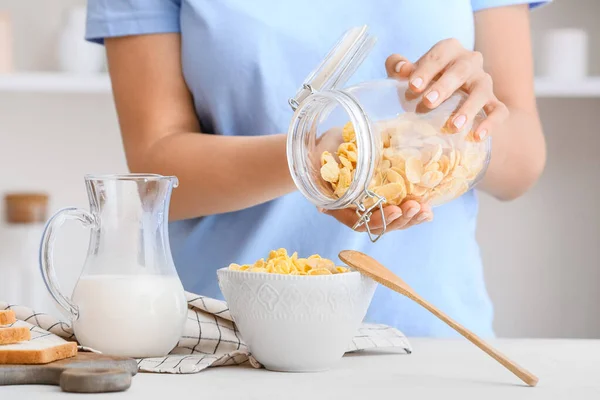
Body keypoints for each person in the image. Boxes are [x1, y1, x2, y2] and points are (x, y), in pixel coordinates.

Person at [85, 0, 548, 337]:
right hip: (229, 335)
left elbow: (523, 162)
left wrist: (461, 127)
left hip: (427, 332)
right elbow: (156, 168)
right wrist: (313, 162)